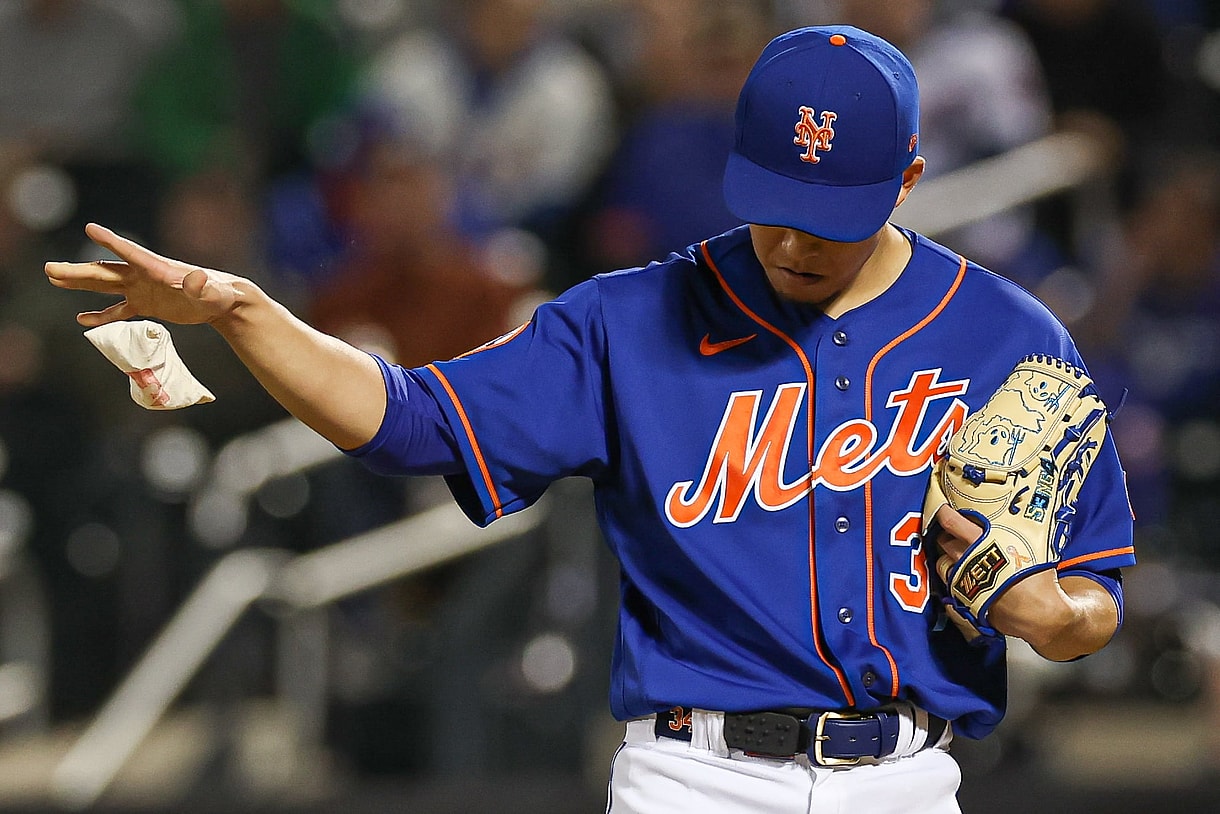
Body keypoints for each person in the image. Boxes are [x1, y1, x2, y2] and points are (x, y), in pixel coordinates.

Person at [45, 25, 1135, 813]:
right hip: (692, 780)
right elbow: (408, 420)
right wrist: (248, 313)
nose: (793, 243)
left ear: (907, 177)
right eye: (773, 208)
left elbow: (1094, 593)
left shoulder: (1004, 336)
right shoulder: (628, 319)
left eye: (829, 219)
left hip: (906, 777)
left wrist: (1053, 617)